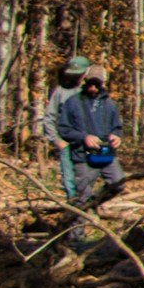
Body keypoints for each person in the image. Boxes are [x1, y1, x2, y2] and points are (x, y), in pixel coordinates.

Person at [56, 63, 127, 205]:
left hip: (106, 154)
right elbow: (63, 129)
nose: (93, 88)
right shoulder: (73, 103)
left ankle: (94, 204)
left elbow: (116, 127)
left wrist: (116, 136)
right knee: (82, 196)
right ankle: (78, 217)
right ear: (85, 81)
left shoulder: (109, 104)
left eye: (97, 84)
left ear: (103, 84)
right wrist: (84, 138)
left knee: (118, 183)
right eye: (90, 83)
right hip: (82, 156)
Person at [42, 56, 88, 201]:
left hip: (88, 144)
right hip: (67, 143)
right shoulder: (60, 91)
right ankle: (73, 208)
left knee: (87, 179)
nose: (77, 77)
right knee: (69, 180)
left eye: (80, 74)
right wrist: (57, 140)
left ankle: (87, 207)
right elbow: (49, 117)